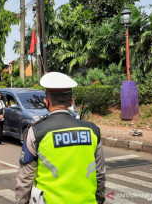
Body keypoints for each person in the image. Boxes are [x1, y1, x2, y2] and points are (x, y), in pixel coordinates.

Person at [15, 72, 106, 204]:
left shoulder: (36, 131)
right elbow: (100, 173)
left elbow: (25, 178)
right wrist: (99, 200)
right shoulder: (92, 130)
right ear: (71, 102)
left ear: (46, 102)